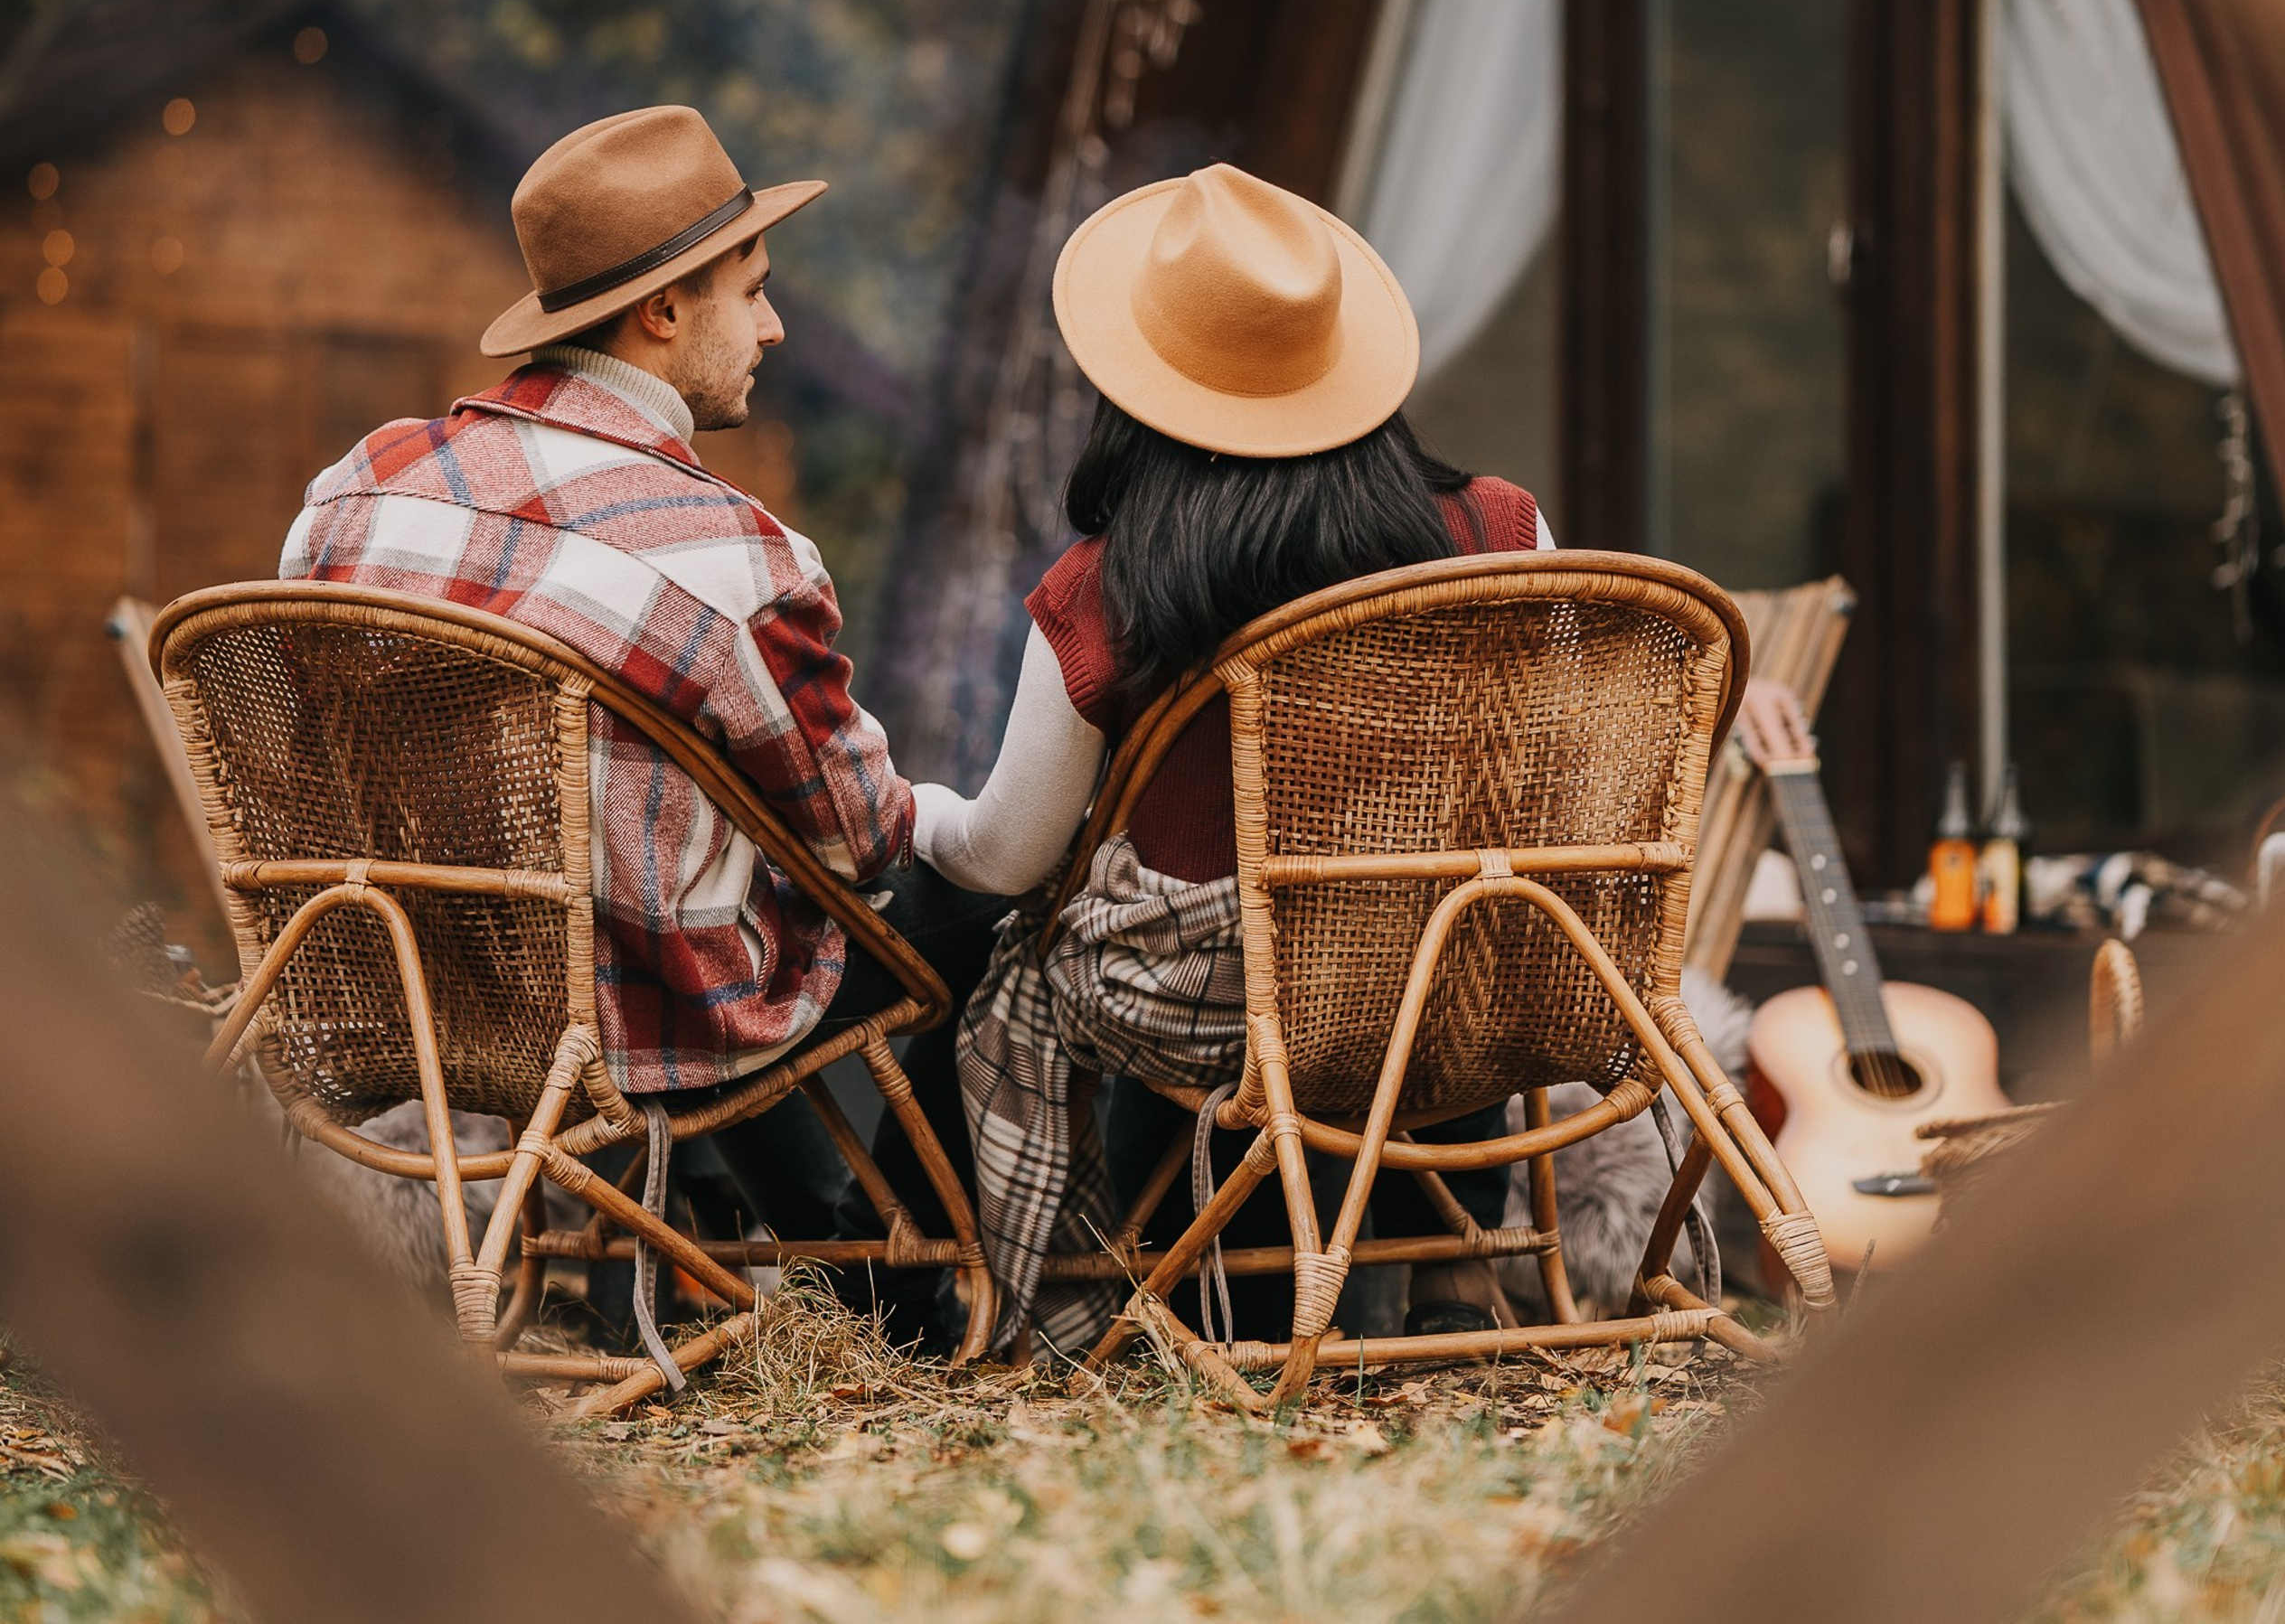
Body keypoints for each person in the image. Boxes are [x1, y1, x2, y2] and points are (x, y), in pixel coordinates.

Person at [282, 105, 993, 1343]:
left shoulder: (354, 492)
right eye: (754, 291)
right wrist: (947, 822)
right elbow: (858, 839)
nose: (773, 326)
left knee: (695, 877)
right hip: (631, 1022)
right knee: (950, 901)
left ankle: (756, 1258)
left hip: (401, 984)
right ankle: (910, 1301)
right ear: (663, 312)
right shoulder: (732, 558)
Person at [910, 162, 1552, 1356]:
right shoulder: (1506, 532)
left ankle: (1074, 1308)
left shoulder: (1105, 589)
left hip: (1227, 1015)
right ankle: (1460, 1267)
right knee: (1431, 903)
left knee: (1017, 972)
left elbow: (1008, 856)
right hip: (1469, 985)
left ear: (1137, 384)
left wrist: (920, 816)